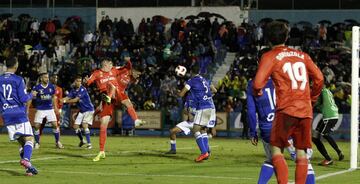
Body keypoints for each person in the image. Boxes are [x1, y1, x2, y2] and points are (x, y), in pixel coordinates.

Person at [253, 21, 324, 184]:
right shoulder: (302, 56)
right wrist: (311, 98)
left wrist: (258, 92)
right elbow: (319, 78)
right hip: (305, 111)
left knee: (276, 150)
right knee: (301, 153)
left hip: (286, 109)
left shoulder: (270, 56)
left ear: (268, 39)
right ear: (287, 37)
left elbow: (257, 84)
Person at [247, 78, 315, 184]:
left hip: (267, 128)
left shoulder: (252, 83)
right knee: (303, 160)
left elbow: (251, 111)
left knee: (271, 159)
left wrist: (253, 132)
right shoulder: (282, 75)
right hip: (287, 123)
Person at [0, 57, 38, 176]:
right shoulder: (18, 79)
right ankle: (26, 160)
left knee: (22, 142)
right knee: (30, 139)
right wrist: (31, 94)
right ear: (16, 66)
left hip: (6, 114)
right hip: (18, 113)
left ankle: (28, 168)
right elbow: (23, 98)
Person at [178, 66, 216, 162]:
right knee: (203, 129)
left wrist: (175, 92)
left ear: (190, 72)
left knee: (195, 129)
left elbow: (181, 94)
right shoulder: (204, 79)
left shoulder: (191, 81)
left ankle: (204, 153)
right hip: (210, 106)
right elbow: (213, 91)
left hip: (202, 107)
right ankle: (207, 151)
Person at [105, 57, 145, 127]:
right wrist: (128, 61)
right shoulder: (124, 70)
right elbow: (125, 66)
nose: (138, 76)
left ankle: (136, 121)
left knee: (129, 105)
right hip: (112, 90)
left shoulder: (133, 79)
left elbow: (136, 85)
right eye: (138, 74)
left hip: (119, 94)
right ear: (134, 70)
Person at [312, 85, 344, 166]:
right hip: (330, 115)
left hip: (329, 116)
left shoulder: (321, 92)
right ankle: (335, 154)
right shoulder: (327, 91)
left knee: (325, 134)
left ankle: (331, 157)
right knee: (315, 137)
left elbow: (316, 102)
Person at [32, 72, 64, 149]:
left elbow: (53, 97)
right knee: (36, 126)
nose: (47, 79)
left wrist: (55, 107)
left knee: (55, 125)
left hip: (49, 109)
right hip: (40, 109)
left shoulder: (51, 87)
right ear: (41, 78)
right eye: (45, 77)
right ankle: (37, 142)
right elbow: (33, 97)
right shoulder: (37, 87)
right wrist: (34, 96)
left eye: (47, 77)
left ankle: (57, 142)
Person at [62, 75, 94, 149]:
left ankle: (89, 144)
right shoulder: (73, 90)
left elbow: (75, 100)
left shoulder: (83, 89)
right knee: (75, 126)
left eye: (80, 81)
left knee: (84, 125)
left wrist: (65, 101)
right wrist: (61, 99)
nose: (79, 82)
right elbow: (68, 97)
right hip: (82, 110)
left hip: (88, 109)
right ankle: (82, 140)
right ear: (74, 82)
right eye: (77, 81)